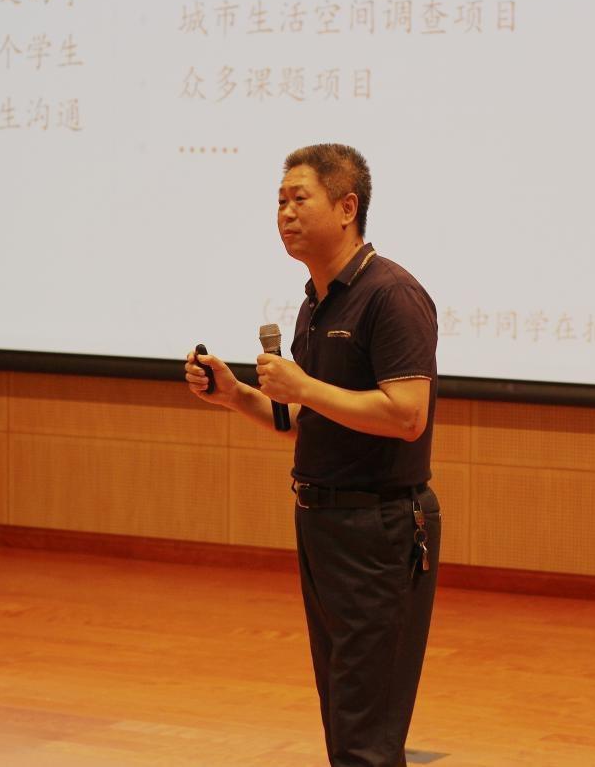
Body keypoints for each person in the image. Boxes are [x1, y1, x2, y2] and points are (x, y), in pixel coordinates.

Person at [184, 143, 441, 767]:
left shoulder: (391, 295)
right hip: (323, 522)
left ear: (347, 207)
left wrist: (303, 385)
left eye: (300, 198)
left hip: (379, 527)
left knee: (365, 727)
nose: (285, 213)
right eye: (279, 201)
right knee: (346, 713)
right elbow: (307, 419)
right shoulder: (316, 301)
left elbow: (407, 416)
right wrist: (236, 394)